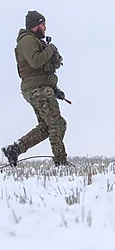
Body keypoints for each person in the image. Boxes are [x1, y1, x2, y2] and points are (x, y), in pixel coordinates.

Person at [1, 10, 68, 167]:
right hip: (38, 90)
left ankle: (15, 149)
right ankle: (60, 162)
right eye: (43, 24)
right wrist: (51, 48)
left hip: (41, 88)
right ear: (35, 25)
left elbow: (41, 69)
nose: (45, 27)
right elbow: (36, 62)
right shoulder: (27, 40)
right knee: (57, 124)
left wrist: (54, 88)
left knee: (47, 127)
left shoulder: (34, 41)